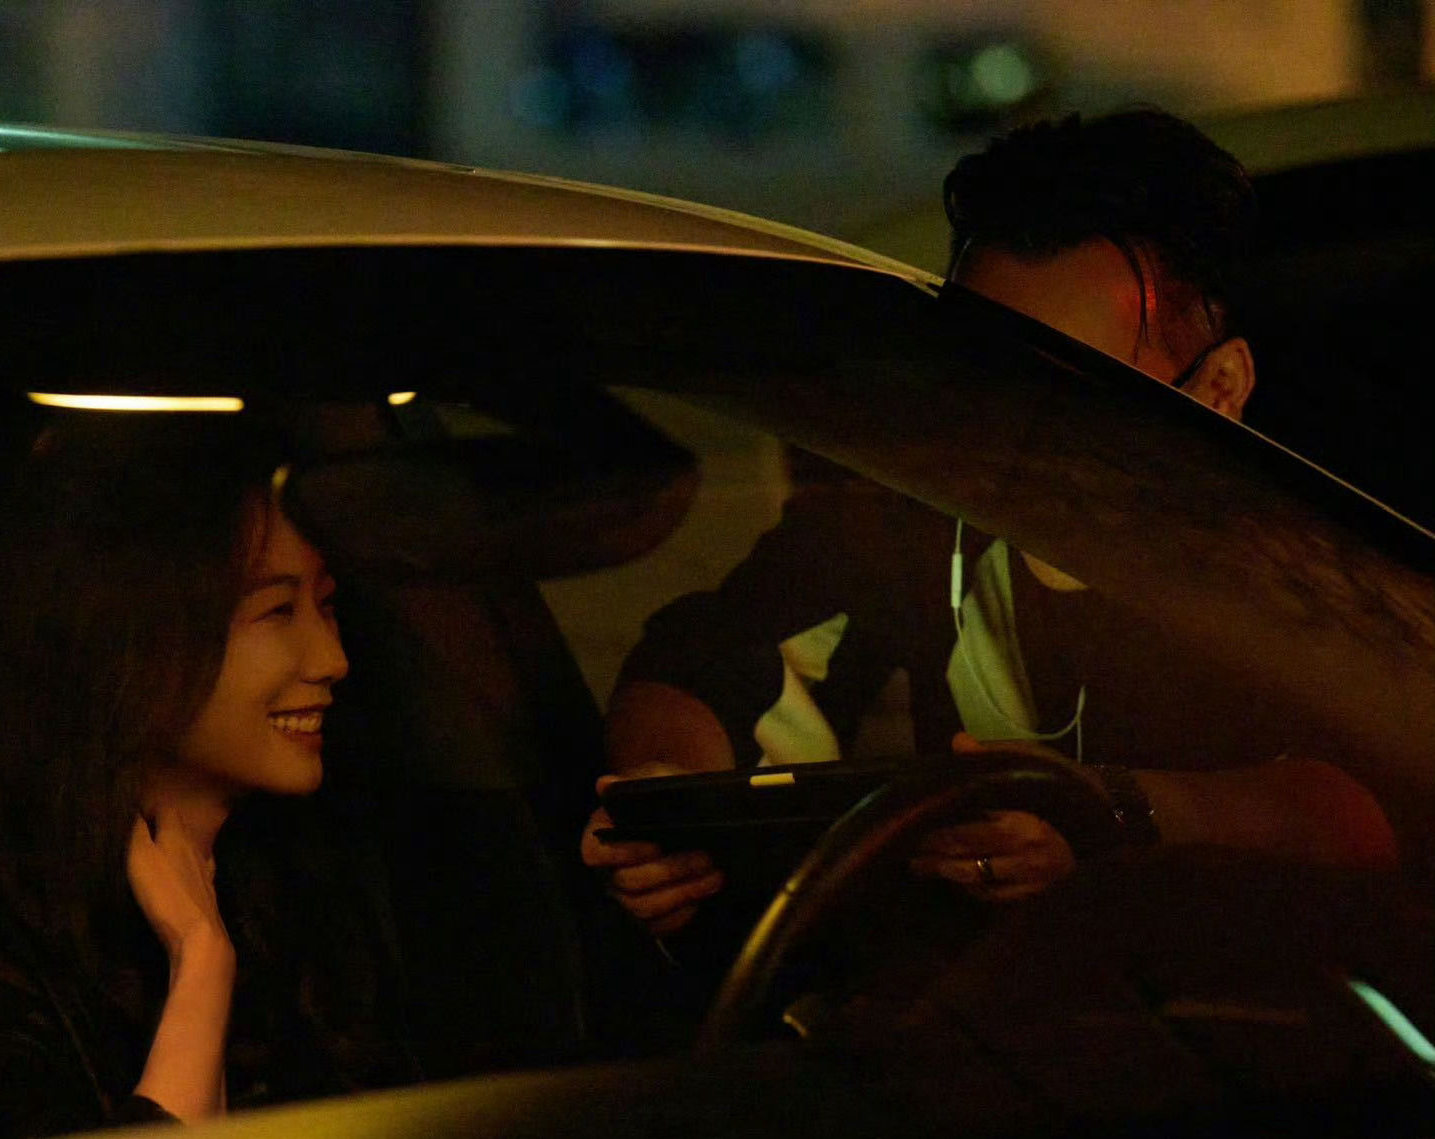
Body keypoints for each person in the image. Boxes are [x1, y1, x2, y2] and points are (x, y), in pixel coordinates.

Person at [584, 109, 1399, 944]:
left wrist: (1106, 811)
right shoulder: (923, 520)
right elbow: (702, 658)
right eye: (985, 382)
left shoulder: (1303, 567)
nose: (1019, 442)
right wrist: (670, 808)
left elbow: (1359, 817)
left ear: (1219, 388)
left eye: (1079, 396)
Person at [0, 419, 417, 1139]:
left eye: (326, 604)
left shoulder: (311, 868)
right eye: (277, 611)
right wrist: (201, 967)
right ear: (130, 641)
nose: (332, 658)